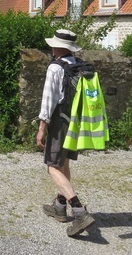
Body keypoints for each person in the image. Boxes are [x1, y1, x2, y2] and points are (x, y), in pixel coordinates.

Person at [35, 29, 96, 237]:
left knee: (53, 167)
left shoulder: (55, 67)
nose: (51, 47)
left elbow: (48, 100)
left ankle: (79, 211)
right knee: (64, 164)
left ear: (58, 47)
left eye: (53, 44)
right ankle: (60, 207)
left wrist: (41, 128)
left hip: (60, 122)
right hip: (76, 122)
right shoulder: (78, 65)